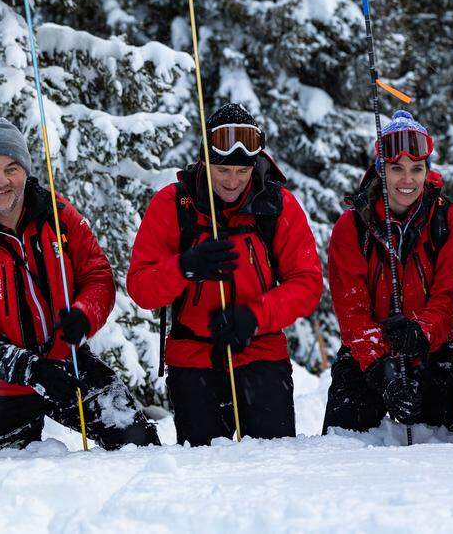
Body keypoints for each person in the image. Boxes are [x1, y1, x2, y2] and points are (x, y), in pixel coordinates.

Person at [0, 118, 158, 449]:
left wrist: (84, 315)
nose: (1, 180)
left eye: (12, 168)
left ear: (26, 172)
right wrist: (30, 369)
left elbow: (97, 273)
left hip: (66, 361)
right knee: (25, 480)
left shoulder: (55, 211)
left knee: (139, 442)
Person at [128, 104, 323, 446]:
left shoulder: (276, 205)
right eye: (222, 170)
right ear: (205, 161)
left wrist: (254, 316)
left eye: (241, 170)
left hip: (261, 352)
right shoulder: (173, 204)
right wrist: (184, 267)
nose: (232, 181)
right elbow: (141, 288)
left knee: (271, 462)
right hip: (193, 357)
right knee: (204, 471)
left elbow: (307, 283)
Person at [322, 112, 453, 433]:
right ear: (380, 170)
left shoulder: (452, 221)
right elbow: (352, 311)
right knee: (341, 446)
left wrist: (420, 332)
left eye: (417, 169)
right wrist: (381, 368)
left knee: (446, 448)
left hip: (432, 352)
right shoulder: (351, 227)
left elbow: (449, 298)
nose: (407, 180)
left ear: (427, 171)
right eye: (396, 169)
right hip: (366, 355)